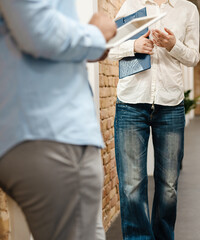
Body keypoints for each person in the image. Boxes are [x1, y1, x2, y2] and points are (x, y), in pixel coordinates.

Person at [0, 1, 117, 240]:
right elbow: (38, 30)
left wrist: (87, 47)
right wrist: (94, 34)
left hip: (46, 131)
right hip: (49, 132)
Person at [108, 0, 200, 239]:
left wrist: (173, 45)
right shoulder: (131, 5)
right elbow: (107, 48)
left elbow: (193, 57)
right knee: (132, 185)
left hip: (170, 105)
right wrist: (134, 46)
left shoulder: (187, 9)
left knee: (169, 185)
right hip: (131, 104)